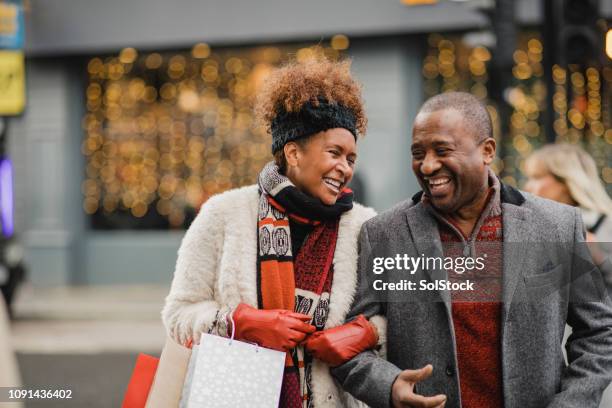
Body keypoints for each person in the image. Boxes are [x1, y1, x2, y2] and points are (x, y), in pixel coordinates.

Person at [332, 92, 612, 408]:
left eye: (442, 150)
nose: (427, 165)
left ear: (487, 151)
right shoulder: (384, 233)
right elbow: (349, 343)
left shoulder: (557, 226)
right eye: (418, 153)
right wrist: (389, 385)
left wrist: (570, 404)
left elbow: (601, 332)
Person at [162, 57, 383, 408]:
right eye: (334, 153)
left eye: (351, 158)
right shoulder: (223, 214)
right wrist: (242, 322)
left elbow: (391, 315)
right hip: (237, 396)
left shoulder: (364, 226)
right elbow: (178, 315)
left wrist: (366, 333)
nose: (344, 168)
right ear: (293, 153)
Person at [525, 143, 612, 289]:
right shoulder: (530, 226)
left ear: (565, 180)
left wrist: (598, 256)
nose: (528, 186)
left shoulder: (605, 224)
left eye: (537, 177)